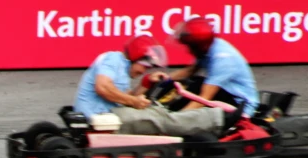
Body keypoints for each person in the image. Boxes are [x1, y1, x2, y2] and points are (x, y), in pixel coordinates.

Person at [73, 35, 242, 137]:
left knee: (158, 111)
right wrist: (134, 102)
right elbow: (102, 88)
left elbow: (124, 98)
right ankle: (219, 119)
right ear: (135, 58)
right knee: (161, 118)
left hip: (109, 114)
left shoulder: (122, 67)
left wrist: (146, 83)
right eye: (144, 66)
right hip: (98, 118)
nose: (144, 70)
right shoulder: (112, 59)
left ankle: (208, 119)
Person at [168, 18, 259, 117]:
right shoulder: (208, 47)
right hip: (225, 94)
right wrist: (163, 80)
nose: (188, 50)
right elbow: (189, 71)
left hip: (240, 107)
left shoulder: (222, 59)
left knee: (198, 89)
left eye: (189, 46)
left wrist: (175, 119)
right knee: (194, 83)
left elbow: (204, 99)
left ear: (197, 47)